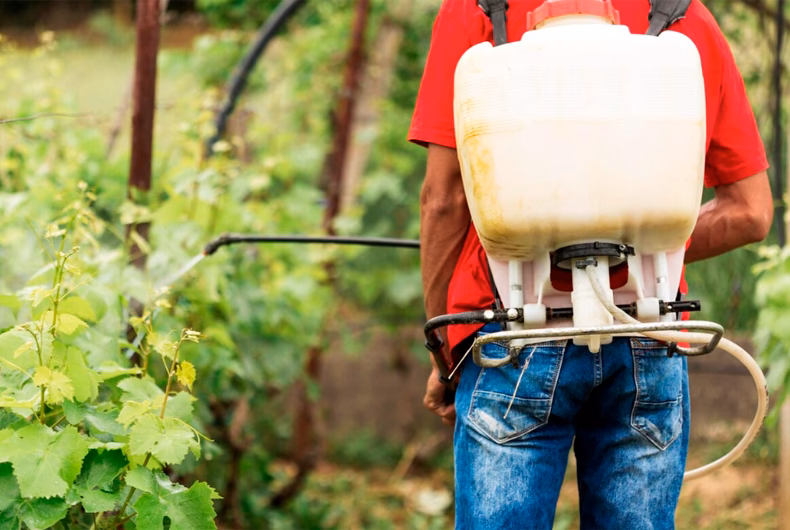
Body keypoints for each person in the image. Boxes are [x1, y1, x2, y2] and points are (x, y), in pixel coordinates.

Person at [409, 1, 774, 528]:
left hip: (511, 333)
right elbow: (751, 212)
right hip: (648, 330)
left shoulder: (480, 10)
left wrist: (444, 350)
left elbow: (444, 201)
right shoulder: (683, 16)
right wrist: (630, 246)